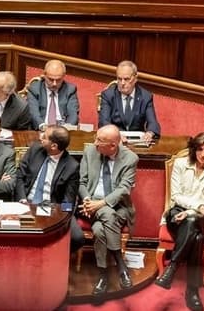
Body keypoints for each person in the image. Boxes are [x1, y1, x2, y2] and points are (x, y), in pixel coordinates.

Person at [154, 133, 204, 311]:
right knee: (197, 237)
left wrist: (191, 212)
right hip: (177, 213)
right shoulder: (180, 164)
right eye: (200, 149)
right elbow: (176, 196)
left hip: (203, 218)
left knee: (193, 221)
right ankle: (192, 291)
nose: (203, 154)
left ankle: (172, 267)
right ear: (194, 149)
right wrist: (196, 207)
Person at [78, 124, 138, 296]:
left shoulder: (130, 158)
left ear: (113, 145)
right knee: (106, 214)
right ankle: (121, 265)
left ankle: (103, 275)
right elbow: (82, 182)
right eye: (96, 138)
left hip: (119, 207)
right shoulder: (90, 151)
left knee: (99, 229)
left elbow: (124, 189)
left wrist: (101, 203)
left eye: (100, 141)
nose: (95, 143)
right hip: (90, 204)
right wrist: (87, 200)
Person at [15, 124, 84, 252]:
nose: (40, 138)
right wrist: (22, 199)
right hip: (26, 203)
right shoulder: (35, 149)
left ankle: (54, 257)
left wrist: (59, 216)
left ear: (54, 146)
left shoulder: (72, 166)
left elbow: (68, 201)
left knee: (77, 238)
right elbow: (19, 176)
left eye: (45, 137)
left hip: (52, 208)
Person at [98, 60, 161, 142]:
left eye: (126, 79)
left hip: (137, 142)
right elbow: (104, 122)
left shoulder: (145, 97)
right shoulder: (108, 95)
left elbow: (153, 122)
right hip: (115, 141)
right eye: (119, 79)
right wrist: (116, 135)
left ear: (135, 78)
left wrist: (150, 133)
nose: (122, 83)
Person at [26, 59, 80, 129]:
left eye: (58, 80)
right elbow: (34, 114)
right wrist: (43, 127)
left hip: (63, 131)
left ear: (64, 76)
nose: (54, 84)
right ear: (44, 75)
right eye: (51, 79)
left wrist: (65, 130)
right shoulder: (35, 89)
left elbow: (73, 115)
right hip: (41, 130)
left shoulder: (70, 90)